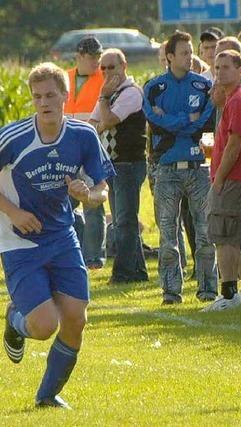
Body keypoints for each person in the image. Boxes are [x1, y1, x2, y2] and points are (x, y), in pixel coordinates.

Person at [1, 62, 114, 409]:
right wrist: (14, 212)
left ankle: (47, 396)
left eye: (50, 95)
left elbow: (102, 189)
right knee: (43, 325)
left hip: (62, 236)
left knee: (76, 320)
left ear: (65, 95)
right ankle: (14, 321)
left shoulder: (83, 136)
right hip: (19, 240)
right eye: (37, 97)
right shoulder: (13, 136)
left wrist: (87, 195)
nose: (44, 102)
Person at [143, 31, 217, 305]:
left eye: (190, 52)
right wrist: (187, 119)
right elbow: (155, 122)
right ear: (170, 57)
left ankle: (208, 288)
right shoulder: (154, 88)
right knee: (167, 232)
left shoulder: (202, 86)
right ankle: (171, 290)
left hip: (198, 167)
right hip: (167, 169)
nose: (190, 57)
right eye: (184, 53)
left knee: (205, 231)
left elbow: (205, 123)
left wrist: (178, 121)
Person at [204, 50, 241, 311]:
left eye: (226, 67)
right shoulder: (238, 97)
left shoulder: (239, 99)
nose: (220, 72)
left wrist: (219, 179)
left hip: (233, 178)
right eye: (217, 67)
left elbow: (235, 142)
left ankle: (228, 293)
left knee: (225, 236)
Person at [88, 48, 148, 284]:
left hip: (128, 163)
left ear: (124, 66)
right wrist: (104, 110)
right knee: (124, 220)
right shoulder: (110, 94)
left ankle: (122, 274)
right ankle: (138, 271)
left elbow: (109, 120)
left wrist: (103, 99)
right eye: (102, 67)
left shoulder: (131, 93)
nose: (106, 72)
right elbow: (93, 125)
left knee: (124, 221)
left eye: (111, 67)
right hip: (112, 164)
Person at [64, 36, 107, 270]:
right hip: (65, 147)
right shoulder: (64, 77)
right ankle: (74, 250)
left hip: (92, 146)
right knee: (66, 201)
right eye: (92, 57)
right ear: (79, 56)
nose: (96, 62)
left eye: (98, 57)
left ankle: (94, 257)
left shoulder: (104, 79)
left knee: (93, 202)